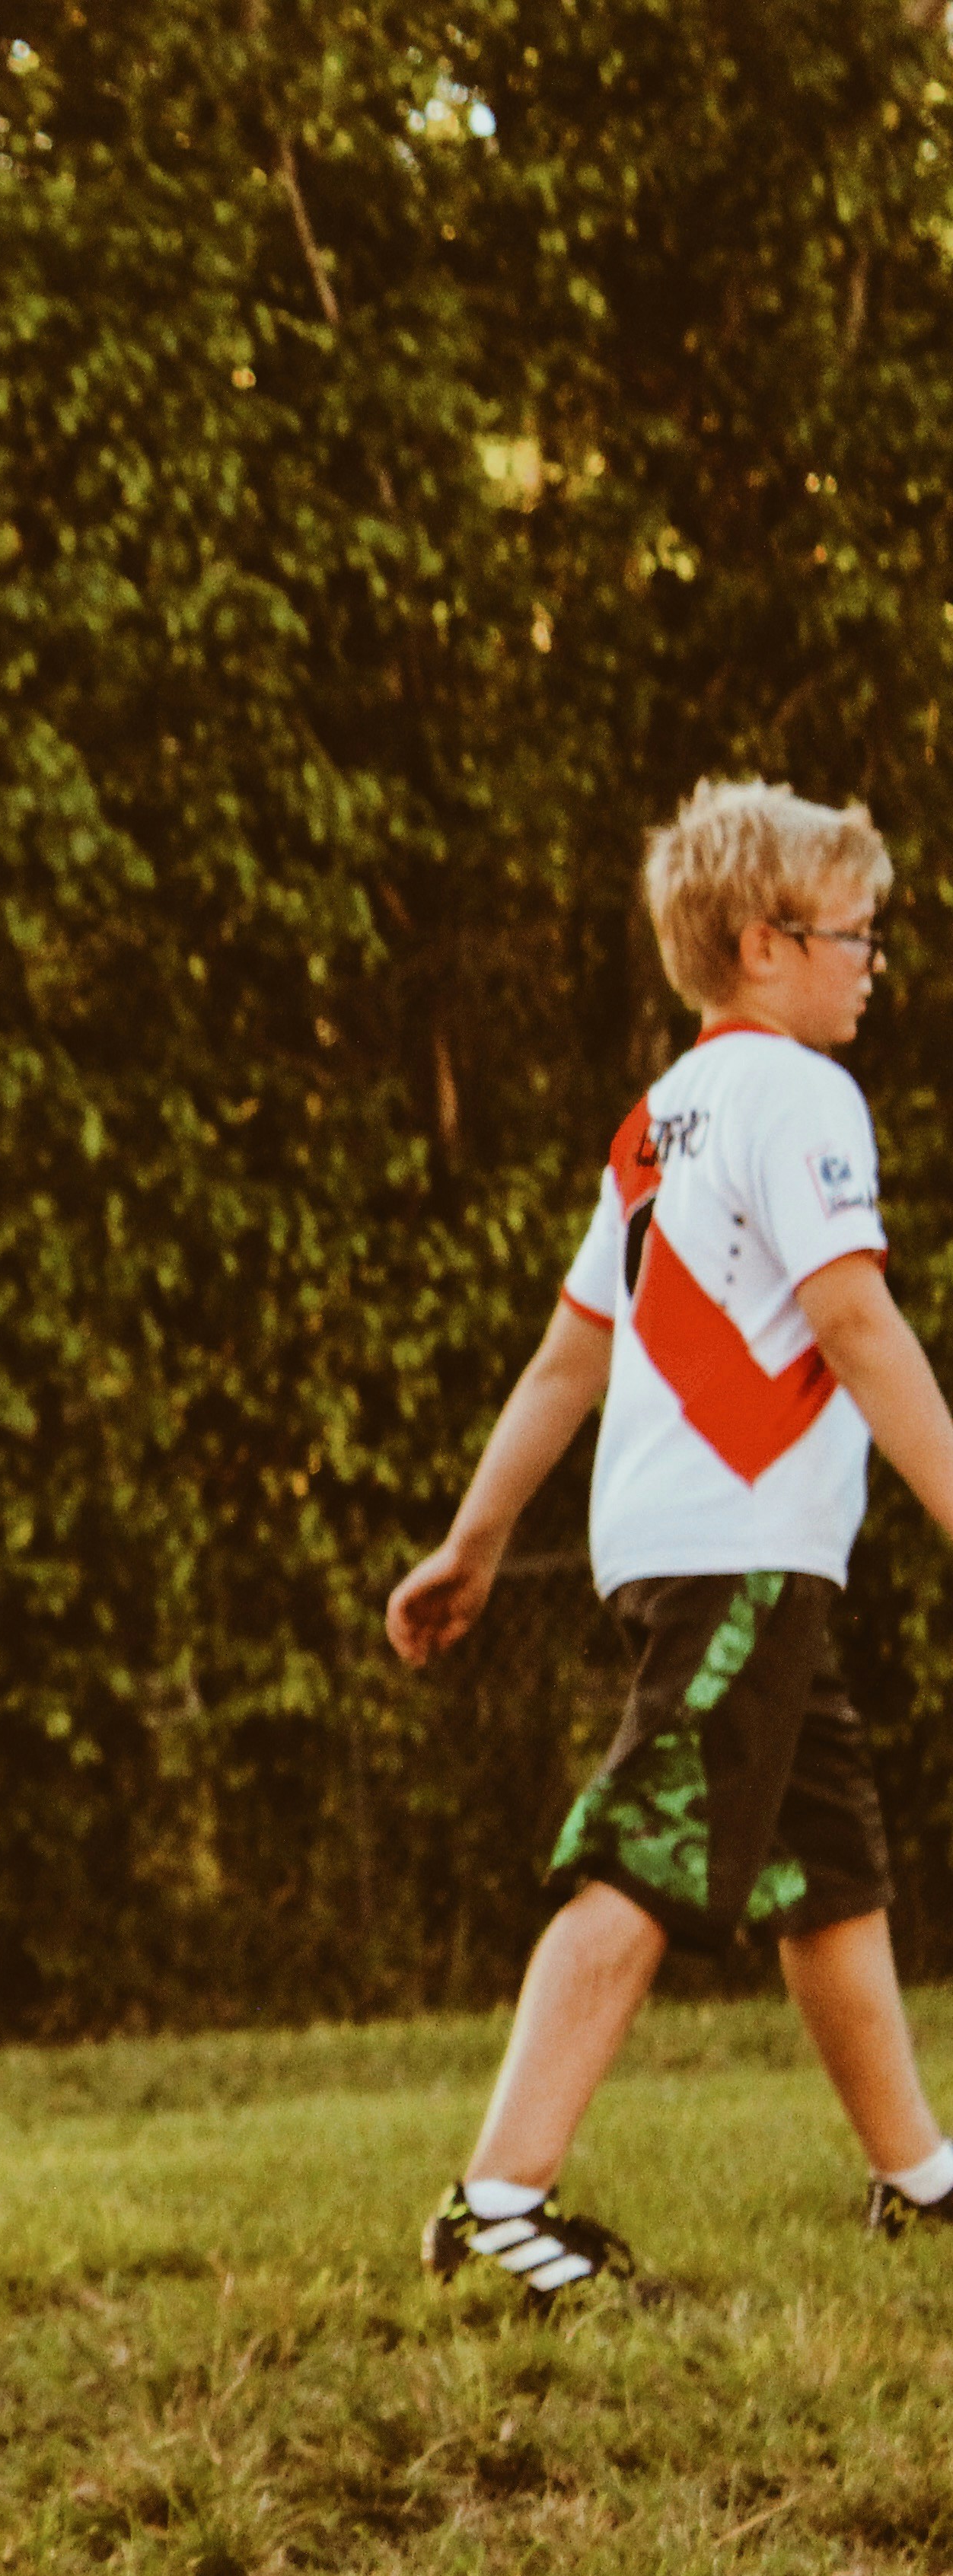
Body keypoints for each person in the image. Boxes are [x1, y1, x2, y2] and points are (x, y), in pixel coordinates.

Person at [387, 777, 953, 2300]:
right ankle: (502, 2201)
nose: (872, 962)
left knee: (824, 1860)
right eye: (856, 935)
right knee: (646, 1846)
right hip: (746, 1545)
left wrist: (476, 1537)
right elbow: (857, 1324)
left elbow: (575, 1355)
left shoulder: (657, 1125)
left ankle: (922, 2179)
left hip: (678, 1540)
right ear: (768, 944)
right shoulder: (801, 1099)